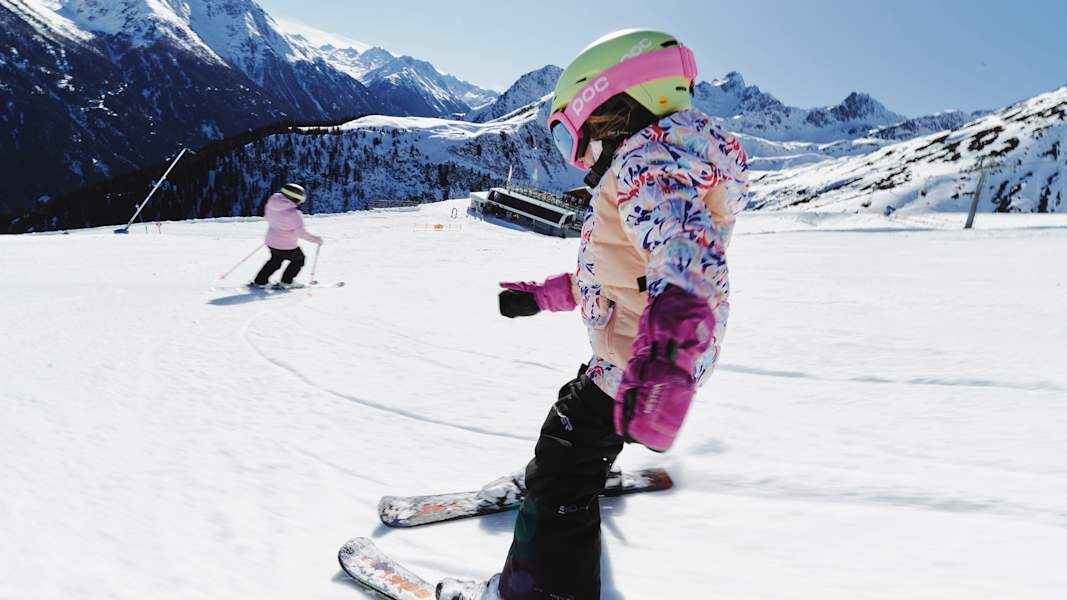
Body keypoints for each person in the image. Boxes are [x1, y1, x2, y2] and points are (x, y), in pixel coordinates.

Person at [437, 29, 749, 600]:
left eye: (568, 137)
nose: (575, 158)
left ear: (611, 107)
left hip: (646, 362)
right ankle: (583, 466)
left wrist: (667, 361)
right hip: (638, 354)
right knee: (575, 409)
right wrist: (542, 296)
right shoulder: (669, 162)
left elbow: (689, 260)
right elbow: (614, 274)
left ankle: (538, 587)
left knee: (560, 460)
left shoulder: (644, 167)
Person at [250, 183, 323, 289]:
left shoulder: (271, 204)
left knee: (275, 261)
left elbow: (268, 218)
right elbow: (300, 232)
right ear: (293, 198)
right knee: (298, 260)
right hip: (286, 245)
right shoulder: (293, 213)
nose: (299, 203)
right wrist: (316, 240)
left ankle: (260, 281)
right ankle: (287, 281)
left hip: (271, 241)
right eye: (298, 200)